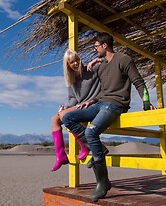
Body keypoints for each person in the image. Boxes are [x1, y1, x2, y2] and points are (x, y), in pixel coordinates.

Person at [62, 32, 156, 202]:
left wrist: (146, 101)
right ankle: (98, 149)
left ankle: (103, 182)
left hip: (115, 104)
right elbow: (102, 90)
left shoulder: (124, 59)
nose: (94, 49)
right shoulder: (103, 67)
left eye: (96, 46)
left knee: (91, 132)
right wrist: (92, 100)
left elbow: (139, 82)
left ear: (104, 45)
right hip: (99, 103)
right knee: (67, 118)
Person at [50, 49, 102, 172]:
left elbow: (109, 62)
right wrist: (67, 107)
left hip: (93, 104)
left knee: (64, 115)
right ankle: (61, 156)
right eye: (72, 62)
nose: (76, 63)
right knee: (54, 119)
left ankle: (84, 145)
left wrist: (97, 59)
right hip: (79, 106)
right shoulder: (71, 78)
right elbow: (72, 98)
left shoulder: (92, 68)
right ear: (68, 65)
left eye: (77, 59)